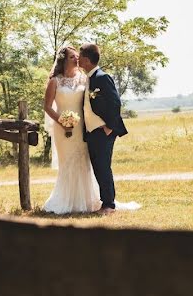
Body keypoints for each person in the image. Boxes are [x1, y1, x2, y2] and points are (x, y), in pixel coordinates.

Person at [41, 46, 102, 214]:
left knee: (84, 161)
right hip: (63, 130)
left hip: (82, 128)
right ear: (63, 60)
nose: (76, 59)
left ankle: (86, 200)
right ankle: (65, 200)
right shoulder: (55, 81)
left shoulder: (84, 79)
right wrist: (62, 121)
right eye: (72, 57)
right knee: (67, 163)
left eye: (77, 56)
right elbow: (47, 106)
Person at [79, 42, 129, 215]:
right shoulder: (89, 78)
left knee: (103, 167)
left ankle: (109, 204)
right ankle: (105, 202)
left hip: (103, 131)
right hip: (92, 132)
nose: (78, 60)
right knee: (98, 167)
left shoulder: (102, 77)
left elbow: (115, 103)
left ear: (85, 60)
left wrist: (108, 127)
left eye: (79, 58)